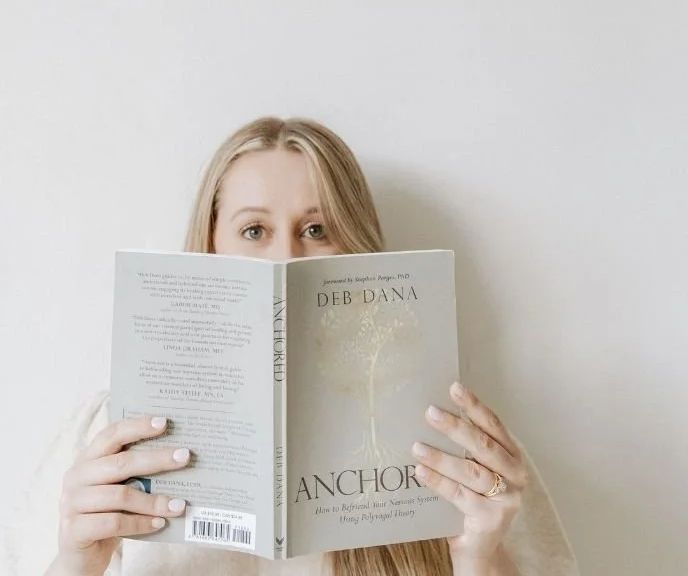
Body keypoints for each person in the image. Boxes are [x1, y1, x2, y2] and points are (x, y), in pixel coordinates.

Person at [4, 117, 579, 576]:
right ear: (209, 246)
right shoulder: (111, 437)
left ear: (358, 249)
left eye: (316, 229)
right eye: (254, 231)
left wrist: (480, 557)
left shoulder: (455, 443)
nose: (286, 259)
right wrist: (78, 563)